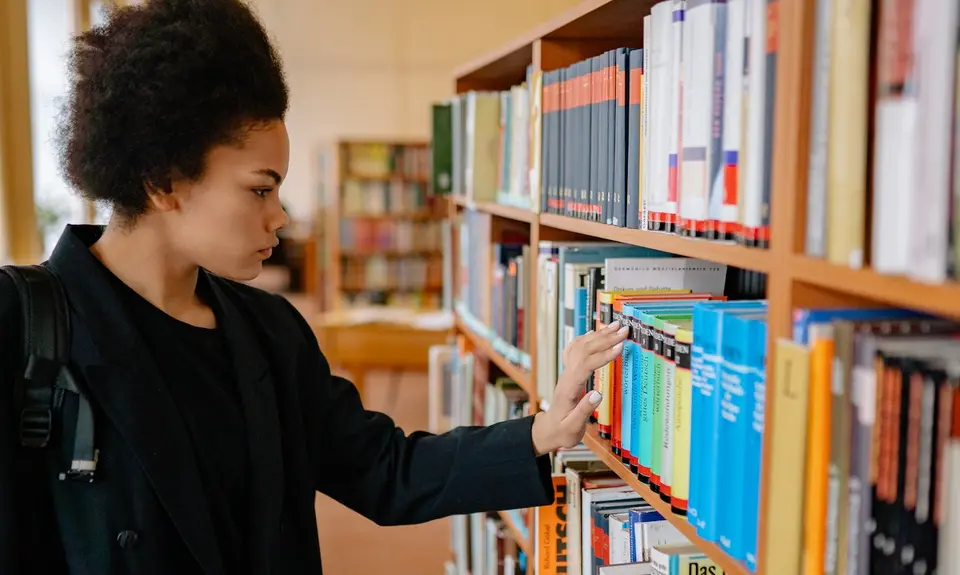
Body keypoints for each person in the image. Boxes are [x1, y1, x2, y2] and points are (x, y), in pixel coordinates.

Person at [0, 0, 630, 574]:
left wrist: (542, 431)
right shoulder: (21, 328)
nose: (281, 215)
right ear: (163, 181)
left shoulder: (268, 330)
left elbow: (385, 471)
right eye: (259, 188)